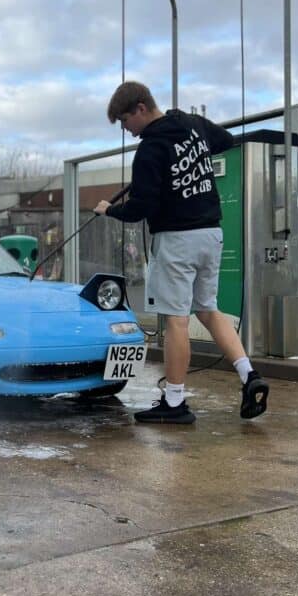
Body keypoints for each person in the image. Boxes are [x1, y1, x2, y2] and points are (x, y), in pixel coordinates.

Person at [94, 80, 269, 425]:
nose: (128, 133)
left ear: (141, 108)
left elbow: (140, 208)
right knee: (207, 308)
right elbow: (225, 140)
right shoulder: (191, 124)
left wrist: (108, 210)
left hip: (177, 240)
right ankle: (249, 375)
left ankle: (174, 401)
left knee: (176, 320)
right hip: (211, 234)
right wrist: (189, 154)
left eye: (126, 122)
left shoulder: (149, 151)